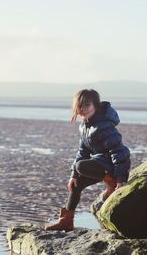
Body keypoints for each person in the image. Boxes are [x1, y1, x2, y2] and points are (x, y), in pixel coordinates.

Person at [45, 89, 131, 231]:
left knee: (81, 166)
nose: (82, 109)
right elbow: (83, 151)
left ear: (95, 106)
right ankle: (66, 220)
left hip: (112, 165)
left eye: (87, 105)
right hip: (100, 164)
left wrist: (121, 179)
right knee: (76, 184)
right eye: (79, 106)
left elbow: (118, 151)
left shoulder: (104, 125)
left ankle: (111, 181)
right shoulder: (84, 126)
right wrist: (73, 175)